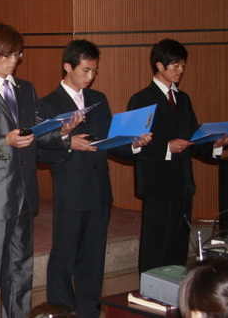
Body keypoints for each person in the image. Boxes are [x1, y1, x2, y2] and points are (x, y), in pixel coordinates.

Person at [0, 23, 76, 318]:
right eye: (5, 56)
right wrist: (4, 142)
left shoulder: (25, 88)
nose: (12, 62)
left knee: (21, 268)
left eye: (16, 55)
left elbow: (37, 131)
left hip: (25, 192)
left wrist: (61, 132)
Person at [39, 40, 151, 318]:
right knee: (64, 257)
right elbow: (39, 151)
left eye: (94, 71)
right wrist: (67, 141)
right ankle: (62, 312)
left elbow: (111, 141)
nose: (90, 76)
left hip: (100, 190)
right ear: (68, 66)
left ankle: (89, 311)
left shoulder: (98, 99)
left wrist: (134, 144)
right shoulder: (47, 104)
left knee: (94, 258)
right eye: (86, 70)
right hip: (71, 190)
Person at [128, 39, 228, 273]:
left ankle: (177, 288)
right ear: (159, 65)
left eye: (183, 65)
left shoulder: (183, 99)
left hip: (183, 182)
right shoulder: (142, 99)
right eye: (175, 65)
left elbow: (192, 139)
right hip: (157, 183)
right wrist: (167, 147)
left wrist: (215, 144)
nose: (180, 70)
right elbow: (134, 145)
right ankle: (151, 289)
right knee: (156, 245)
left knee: (178, 245)